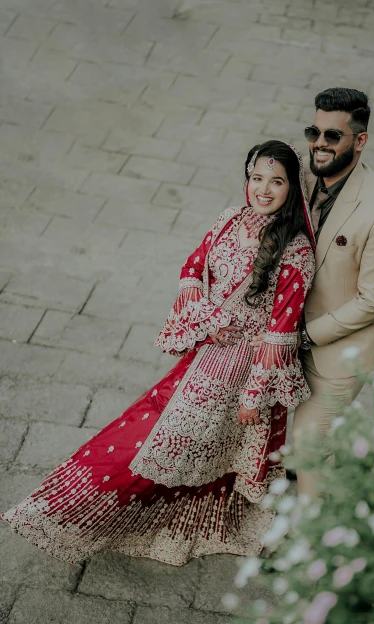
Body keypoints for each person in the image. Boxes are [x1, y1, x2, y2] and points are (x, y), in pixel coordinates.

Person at [1, 141, 316, 566]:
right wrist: (206, 315)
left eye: (276, 181)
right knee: (158, 437)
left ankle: (80, 513)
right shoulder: (229, 220)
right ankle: (73, 510)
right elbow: (192, 267)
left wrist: (254, 394)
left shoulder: (294, 251)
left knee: (164, 444)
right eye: (256, 178)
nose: (263, 189)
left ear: (292, 187)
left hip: (240, 370)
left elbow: (281, 331)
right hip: (205, 353)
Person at [253, 88, 374, 497]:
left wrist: (307, 333)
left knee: (306, 446)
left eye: (332, 136)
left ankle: (309, 549)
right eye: (314, 131)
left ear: (360, 140)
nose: (319, 144)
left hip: (339, 353)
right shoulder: (302, 177)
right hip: (285, 332)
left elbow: (373, 300)